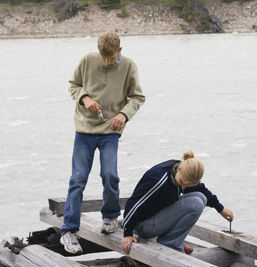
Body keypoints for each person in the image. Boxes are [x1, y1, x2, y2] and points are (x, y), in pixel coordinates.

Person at [60, 32, 145, 254]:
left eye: (111, 57)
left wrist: (124, 115)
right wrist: (85, 98)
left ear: (120, 50)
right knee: (77, 180)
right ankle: (69, 230)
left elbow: (137, 98)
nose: (107, 62)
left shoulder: (128, 66)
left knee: (110, 175)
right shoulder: (88, 60)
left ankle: (110, 218)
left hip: (111, 130)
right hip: (84, 130)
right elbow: (73, 85)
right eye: (104, 57)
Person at [121, 151, 234, 255]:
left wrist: (220, 209)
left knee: (201, 198)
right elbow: (134, 204)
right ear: (179, 169)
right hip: (143, 225)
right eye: (182, 183)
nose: (183, 187)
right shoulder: (158, 179)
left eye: (187, 185)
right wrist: (127, 233)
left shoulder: (182, 171)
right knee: (196, 204)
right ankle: (171, 244)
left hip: (156, 216)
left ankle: (174, 242)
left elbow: (200, 188)